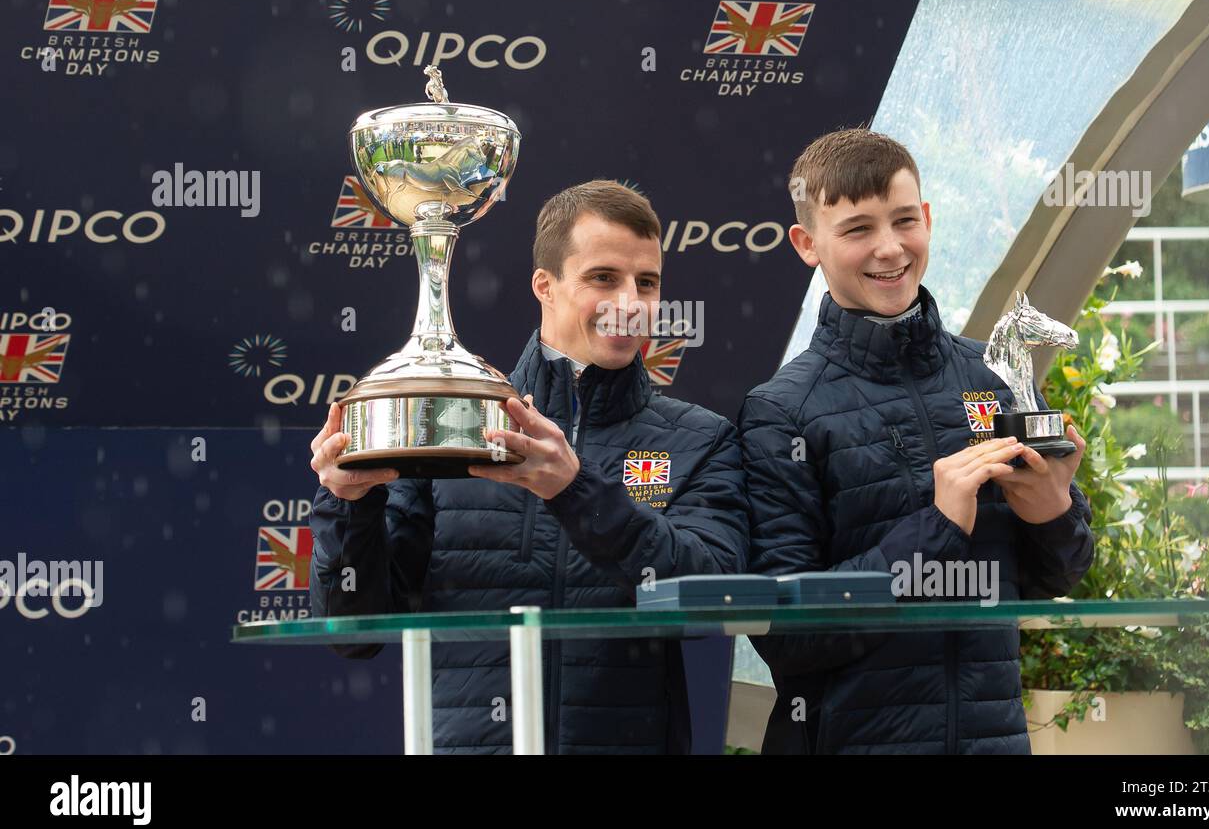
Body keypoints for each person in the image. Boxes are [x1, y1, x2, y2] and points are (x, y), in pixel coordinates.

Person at [308, 180, 749, 754]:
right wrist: (350, 502)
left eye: (648, 283)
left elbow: (717, 595)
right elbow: (354, 631)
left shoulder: (701, 439)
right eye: (603, 278)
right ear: (545, 285)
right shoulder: (453, 425)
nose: (630, 303)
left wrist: (576, 491)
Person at [740, 128, 1094, 754]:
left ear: (927, 218)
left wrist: (1051, 512)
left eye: (905, 220)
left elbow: (1063, 574)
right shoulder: (781, 411)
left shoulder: (996, 376)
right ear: (806, 244)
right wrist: (936, 529)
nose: (889, 248)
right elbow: (787, 636)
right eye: (856, 229)